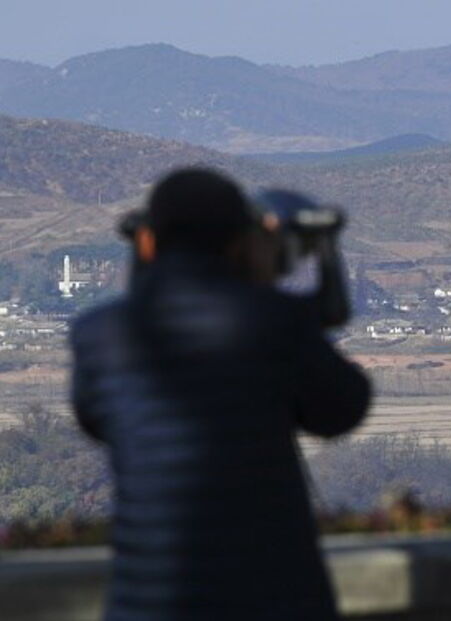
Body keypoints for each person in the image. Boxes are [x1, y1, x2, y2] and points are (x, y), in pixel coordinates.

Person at [69, 168, 371, 620]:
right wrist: (288, 294)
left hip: (147, 604)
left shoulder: (99, 335)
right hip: (274, 602)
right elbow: (340, 411)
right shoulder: (274, 323)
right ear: (239, 241)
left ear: (149, 243)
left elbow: (99, 422)